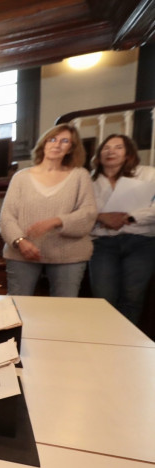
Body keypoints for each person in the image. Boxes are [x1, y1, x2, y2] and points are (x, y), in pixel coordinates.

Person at [0, 123, 97, 296]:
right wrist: (20, 241)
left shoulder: (80, 175)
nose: (57, 144)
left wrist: (56, 221)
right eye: (52, 139)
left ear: (70, 149)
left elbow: (88, 213)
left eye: (64, 141)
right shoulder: (21, 177)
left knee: (63, 307)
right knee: (17, 303)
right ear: (44, 143)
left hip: (69, 254)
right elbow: (7, 216)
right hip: (22, 252)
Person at [88, 133, 155, 325]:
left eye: (118, 147)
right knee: (103, 297)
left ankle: (126, 340)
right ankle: (105, 337)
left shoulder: (148, 174)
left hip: (141, 242)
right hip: (102, 243)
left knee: (132, 297)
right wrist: (101, 217)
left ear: (128, 153)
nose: (111, 151)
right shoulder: (89, 180)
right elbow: (81, 211)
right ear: (99, 154)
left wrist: (129, 217)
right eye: (106, 148)